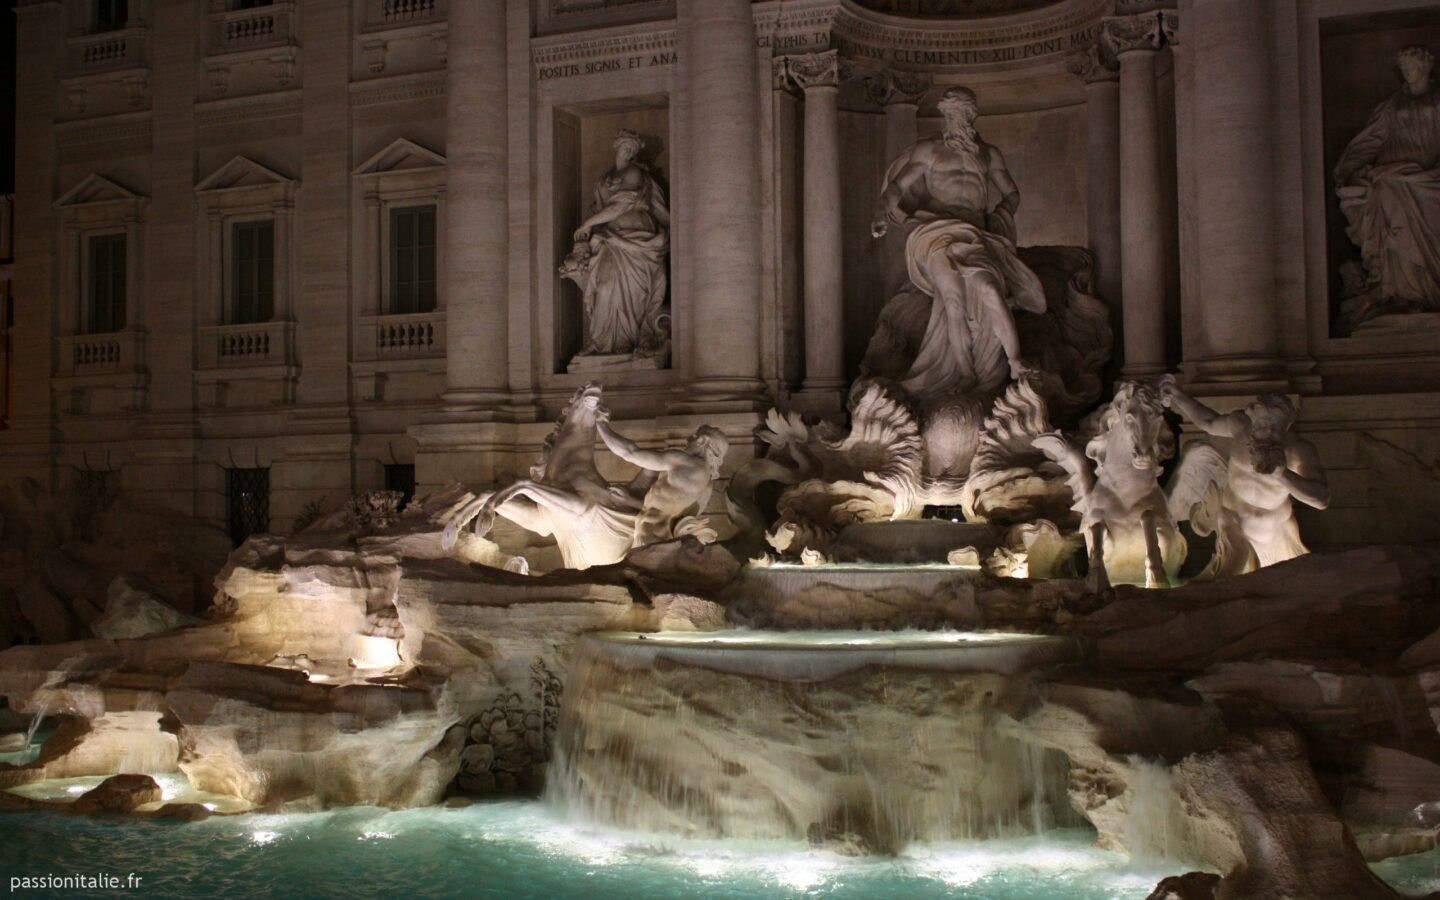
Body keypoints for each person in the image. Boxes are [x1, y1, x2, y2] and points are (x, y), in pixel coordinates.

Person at [871, 86, 1045, 396]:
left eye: (959, 115)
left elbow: (1012, 193)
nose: (953, 122)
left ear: (971, 116)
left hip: (974, 234)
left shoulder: (989, 154)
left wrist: (1002, 214)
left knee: (990, 289)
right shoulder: (929, 151)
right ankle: (965, 373)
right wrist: (882, 212)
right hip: (936, 233)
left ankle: (1015, 361)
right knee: (952, 300)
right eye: (949, 116)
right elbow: (897, 188)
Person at [1160, 376, 1330, 572]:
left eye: (1273, 429)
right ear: (1253, 420)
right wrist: (1177, 396)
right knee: (1230, 584)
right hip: (1233, 524)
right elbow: (1208, 421)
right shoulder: (1240, 427)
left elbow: (1321, 499)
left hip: (1276, 531)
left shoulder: (1297, 450)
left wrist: (1283, 476)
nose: (1265, 433)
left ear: (1286, 427)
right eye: (1261, 426)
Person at [1333, 45, 1440, 326]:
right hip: (1393, 176)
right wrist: (1350, 169)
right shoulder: (1392, 105)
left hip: (1431, 179)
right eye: (1404, 69)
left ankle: (1430, 292)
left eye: (1413, 68)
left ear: (1425, 70)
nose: (1408, 73)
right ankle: (1401, 293)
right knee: (1386, 198)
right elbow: (1371, 140)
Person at [566, 129, 671, 356]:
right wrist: (592, 228)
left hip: (636, 241)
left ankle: (626, 344)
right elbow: (601, 207)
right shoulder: (606, 176)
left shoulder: (635, 173)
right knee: (603, 289)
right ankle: (603, 344)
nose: (628, 151)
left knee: (631, 295)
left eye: (632, 149)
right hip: (609, 242)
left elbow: (620, 206)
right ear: (617, 146)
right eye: (625, 146)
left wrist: (587, 224)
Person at [596, 418, 728, 547]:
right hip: (658, 539)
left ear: (702, 441)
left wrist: (601, 424)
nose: (687, 441)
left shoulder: (686, 462)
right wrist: (630, 500)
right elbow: (665, 511)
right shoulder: (707, 485)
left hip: (649, 538)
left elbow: (630, 452)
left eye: (693, 437)